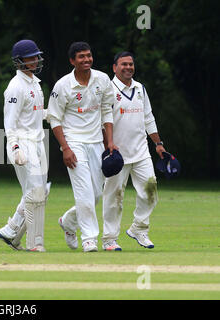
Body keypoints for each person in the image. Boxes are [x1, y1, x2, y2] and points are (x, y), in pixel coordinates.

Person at [48, 41, 116, 252]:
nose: (86, 59)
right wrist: (65, 148)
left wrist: (109, 140)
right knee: (84, 193)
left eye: (89, 55)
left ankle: (68, 221)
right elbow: (54, 118)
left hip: (96, 142)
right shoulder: (62, 85)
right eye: (81, 57)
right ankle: (89, 238)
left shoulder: (102, 79)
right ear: (72, 61)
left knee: (96, 193)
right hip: (74, 142)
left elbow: (107, 110)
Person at [101, 51, 165, 251]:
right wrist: (107, 146)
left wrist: (158, 143)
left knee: (150, 191)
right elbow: (103, 121)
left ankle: (139, 228)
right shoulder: (107, 89)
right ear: (114, 67)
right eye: (123, 64)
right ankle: (109, 239)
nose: (128, 67)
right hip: (117, 155)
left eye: (130, 64)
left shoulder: (140, 88)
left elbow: (148, 117)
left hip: (141, 152)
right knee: (114, 198)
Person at [0, 40, 49, 252]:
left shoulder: (35, 82)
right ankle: (34, 243)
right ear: (19, 61)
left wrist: (51, 115)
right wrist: (15, 148)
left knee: (40, 191)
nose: (35, 60)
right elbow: (10, 122)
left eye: (36, 56)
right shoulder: (15, 87)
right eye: (31, 57)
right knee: (35, 192)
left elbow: (35, 114)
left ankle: (12, 231)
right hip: (22, 143)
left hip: (37, 142)